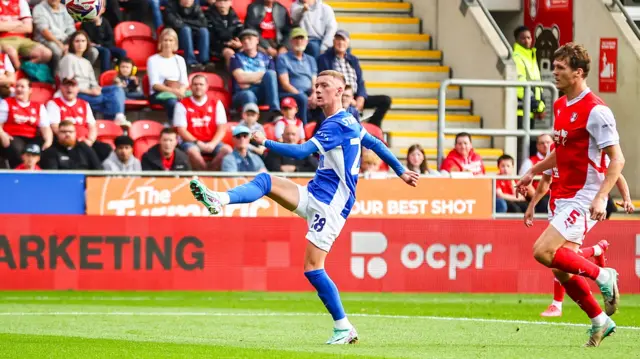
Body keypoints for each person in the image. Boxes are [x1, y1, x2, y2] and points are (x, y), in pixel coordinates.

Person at [188, 69, 419, 344]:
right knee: (266, 181)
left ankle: (344, 327)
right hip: (315, 194)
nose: (318, 90)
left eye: (325, 85)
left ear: (340, 91)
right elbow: (376, 143)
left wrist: (266, 142)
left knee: (313, 268)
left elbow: (300, 152)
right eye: (316, 85)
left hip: (331, 205)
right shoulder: (347, 121)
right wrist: (401, 170)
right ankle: (219, 200)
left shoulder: (339, 124)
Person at [516, 43, 625, 347]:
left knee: (542, 251)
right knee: (559, 266)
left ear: (578, 72)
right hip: (563, 194)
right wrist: (533, 171)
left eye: (561, 68)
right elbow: (560, 153)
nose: (555, 73)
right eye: (554, 67)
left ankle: (604, 276)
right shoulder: (563, 104)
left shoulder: (597, 111)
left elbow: (617, 160)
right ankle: (600, 320)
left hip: (584, 194)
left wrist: (602, 196)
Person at [524, 144, 635, 318]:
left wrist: (626, 198)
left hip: (579, 204)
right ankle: (599, 320)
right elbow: (546, 181)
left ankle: (565, 302)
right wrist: (532, 205)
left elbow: (616, 173)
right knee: (560, 263)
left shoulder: (589, 145)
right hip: (557, 207)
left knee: (552, 254)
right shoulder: (556, 148)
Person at [58, 31, 128, 126]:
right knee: (106, 99)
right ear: (71, 43)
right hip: (77, 93)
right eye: (77, 41)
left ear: (87, 43)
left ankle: (119, 116)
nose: (80, 44)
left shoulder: (86, 62)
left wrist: (97, 89)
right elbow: (67, 84)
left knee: (117, 89)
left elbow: (93, 83)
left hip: (90, 92)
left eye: (83, 41)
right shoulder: (68, 58)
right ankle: (114, 122)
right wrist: (90, 92)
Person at [174, 74, 231, 170]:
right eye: (195, 84)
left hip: (212, 141)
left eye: (201, 84)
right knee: (193, 152)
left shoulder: (216, 103)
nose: (198, 87)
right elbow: (181, 130)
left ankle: (211, 174)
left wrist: (213, 143)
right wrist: (198, 143)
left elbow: (222, 128)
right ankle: (205, 177)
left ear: (207, 86)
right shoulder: (182, 104)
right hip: (191, 142)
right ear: (191, 87)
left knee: (227, 150)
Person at [0, 78, 52, 168]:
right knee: (17, 149)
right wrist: (2, 134)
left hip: (32, 137)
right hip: (13, 136)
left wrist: (48, 141)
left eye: (22, 87)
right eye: (17, 86)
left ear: (30, 90)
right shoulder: (7, 103)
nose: (19, 89)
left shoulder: (38, 106)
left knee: (48, 148)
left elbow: (45, 127)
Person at [513, 25, 545, 162]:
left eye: (528, 37)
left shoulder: (531, 56)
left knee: (529, 144)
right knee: (522, 146)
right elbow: (521, 85)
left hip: (531, 109)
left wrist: (540, 106)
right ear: (516, 40)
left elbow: (538, 84)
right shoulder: (517, 56)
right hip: (522, 110)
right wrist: (537, 106)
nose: (526, 41)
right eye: (523, 38)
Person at [147, 28, 190, 123]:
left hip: (178, 91)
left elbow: (185, 82)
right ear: (161, 42)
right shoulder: (153, 60)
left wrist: (181, 91)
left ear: (175, 43)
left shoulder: (180, 60)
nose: (168, 43)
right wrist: (174, 91)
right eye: (165, 40)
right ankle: (174, 125)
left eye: (171, 40)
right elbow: (155, 84)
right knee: (172, 102)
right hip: (159, 93)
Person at [205, 0, 243, 68]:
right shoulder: (208, 16)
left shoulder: (234, 16)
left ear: (230, 3)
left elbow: (241, 32)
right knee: (230, 54)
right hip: (216, 47)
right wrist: (227, 43)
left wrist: (240, 43)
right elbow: (210, 37)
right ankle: (234, 76)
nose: (222, 3)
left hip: (234, 44)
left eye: (225, 1)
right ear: (215, 3)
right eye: (219, 1)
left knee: (247, 49)